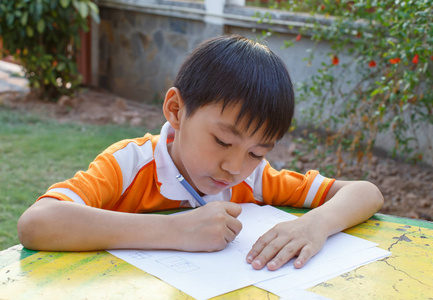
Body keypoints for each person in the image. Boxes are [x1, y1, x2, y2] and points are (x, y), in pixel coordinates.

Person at [17, 35, 384, 271]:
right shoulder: (128, 165)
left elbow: (366, 193)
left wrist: (314, 225)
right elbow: (37, 224)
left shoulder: (253, 179)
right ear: (176, 110)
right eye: (223, 141)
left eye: (256, 151)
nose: (234, 167)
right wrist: (173, 231)